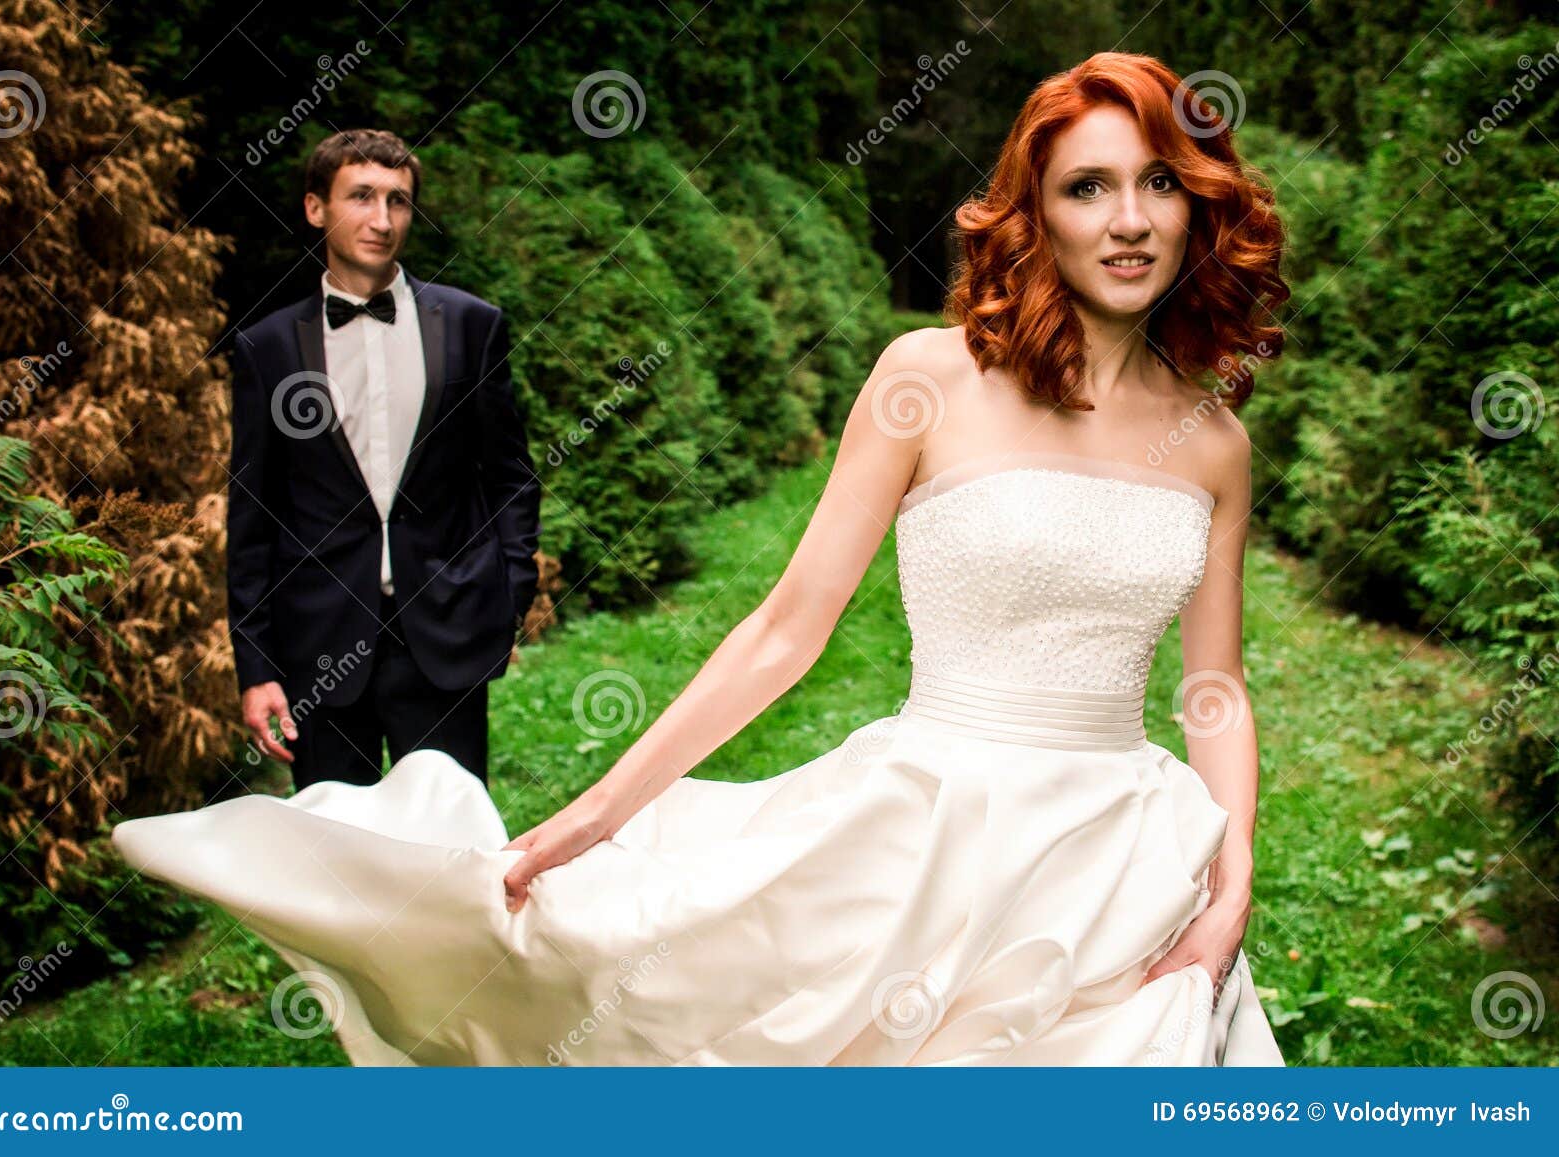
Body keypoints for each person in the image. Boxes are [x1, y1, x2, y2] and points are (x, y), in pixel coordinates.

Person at [115, 52, 1287, 1065]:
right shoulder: (927, 380)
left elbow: (1214, 687)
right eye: (1089, 186)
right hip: (929, 834)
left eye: (1159, 183)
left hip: (1128, 863)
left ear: (1200, 204)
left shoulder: (1215, 441)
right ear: (1039, 212)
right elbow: (786, 627)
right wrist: (598, 817)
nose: (1128, 219)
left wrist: (1228, 880)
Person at [224, 129, 541, 789]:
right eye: (361, 197)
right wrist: (256, 666)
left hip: (444, 636)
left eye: (398, 200)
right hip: (318, 645)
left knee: (449, 851)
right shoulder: (269, 347)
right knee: (338, 865)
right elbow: (252, 514)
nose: (382, 219)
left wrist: (508, 596)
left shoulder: (471, 326)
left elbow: (510, 477)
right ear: (316, 208)